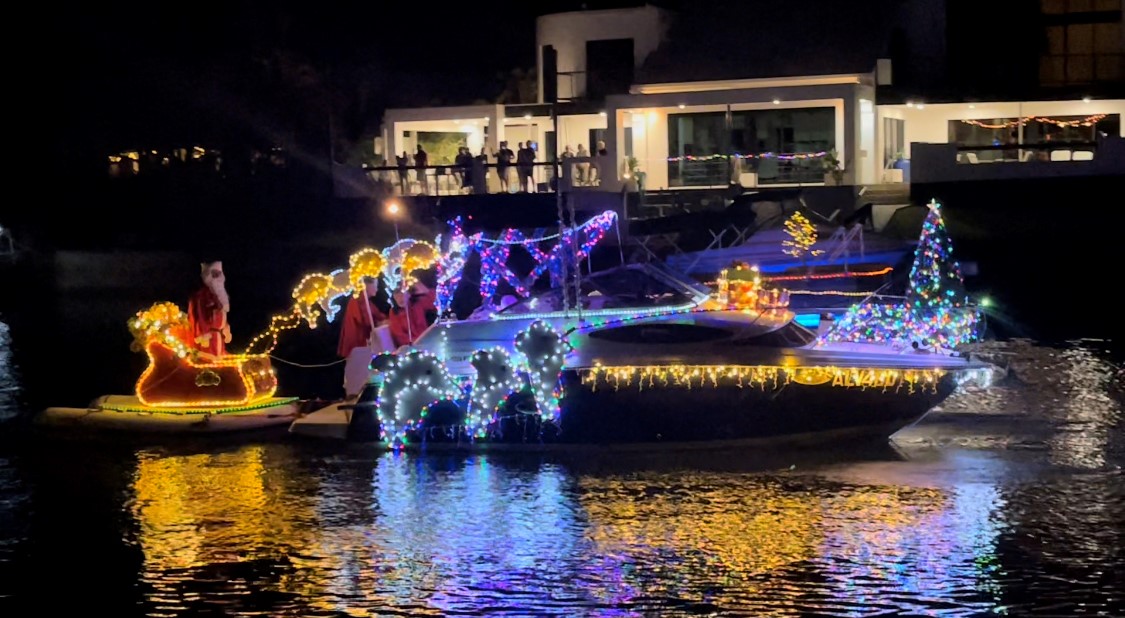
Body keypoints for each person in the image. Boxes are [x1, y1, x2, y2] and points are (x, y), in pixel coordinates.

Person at [336, 276, 388, 358]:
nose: (377, 289)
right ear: (367, 285)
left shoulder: (367, 302)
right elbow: (365, 321)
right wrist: (380, 323)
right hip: (359, 341)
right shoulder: (358, 300)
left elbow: (378, 315)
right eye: (375, 286)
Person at [188, 260, 231, 356]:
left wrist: (226, 328)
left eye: (219, 274)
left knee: (220, 359)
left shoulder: (220, 295)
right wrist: (203, 333)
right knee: (209, 360)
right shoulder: (202, 296)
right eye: (214, 274)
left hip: (219, 336)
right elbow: (199, 315)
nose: (217, 278)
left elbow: (222, 315)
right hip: (209, 338)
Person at [388, 281, 436, 347]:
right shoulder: (394, 312)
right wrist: (417, 342)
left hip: (427, 341)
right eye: (396, 294)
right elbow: (399, 336)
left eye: (402, 293)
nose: (399, 298)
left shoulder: (418, 304)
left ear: (409, 294)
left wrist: (417, 284)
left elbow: (433, 296)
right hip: (410, 346)